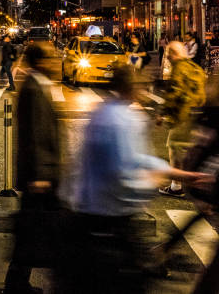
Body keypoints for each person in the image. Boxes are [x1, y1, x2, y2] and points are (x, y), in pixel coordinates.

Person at [73, 64, 210, 293]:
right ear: (131, 88)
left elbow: (137, 159)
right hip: (111, 218)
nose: (144, 92)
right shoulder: (122, 120)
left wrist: (178, 174)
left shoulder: (104, 111)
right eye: (141, 87)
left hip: (95, 212)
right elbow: (124, 173)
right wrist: (151, 184)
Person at [4, 43, 61, 294]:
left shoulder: (35, 84)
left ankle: (17, 282)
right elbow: (37, 132)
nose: (53, 62)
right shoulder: (34, 87)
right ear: (40, 62)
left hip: (38, 173)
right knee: (33, 230)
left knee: (33, 229)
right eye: (49, 58)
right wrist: (40, 175)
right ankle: (16, 284)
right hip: (38, 175)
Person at [158, 41, 206, 198]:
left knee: (174, 148)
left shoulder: (179, 68)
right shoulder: (195, 68)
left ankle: (176, 186)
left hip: (182, 117)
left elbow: (174, 93)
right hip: (198, 116)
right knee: (190, 151)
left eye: (168, 54)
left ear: (174, 54)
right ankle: (197, 185)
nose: (168, 58)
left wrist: (162, 113)